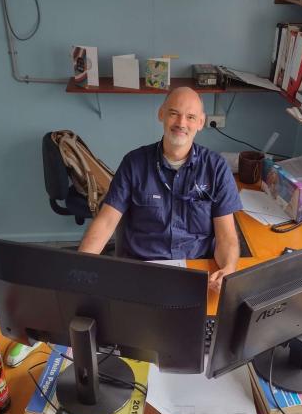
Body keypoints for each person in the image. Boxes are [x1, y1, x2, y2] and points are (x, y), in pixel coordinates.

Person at [79, 87, 242, 290]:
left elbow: (226, 235)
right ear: (161, 114)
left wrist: (228, 268)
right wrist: (81, 268)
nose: (181, 123)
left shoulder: (216, 168)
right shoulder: (134, 163)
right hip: (142, 269)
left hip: (197, 270)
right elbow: (106, 221)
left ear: (200, 123)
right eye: (174, 113)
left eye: (190, 117)